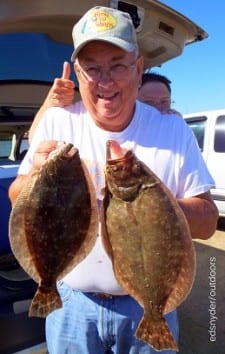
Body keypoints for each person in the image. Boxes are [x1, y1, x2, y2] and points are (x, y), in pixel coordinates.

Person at [9, 6, 218, 354]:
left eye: (117, 65)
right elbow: (17, 197)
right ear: (77, 73)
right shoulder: (56, 122)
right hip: (72, 305)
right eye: (92, 68)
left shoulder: (172, 129)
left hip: (147, 305)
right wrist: (33, 181)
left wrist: (154, 205)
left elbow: (209, 220)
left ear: (139, 69)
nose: (104, 80)